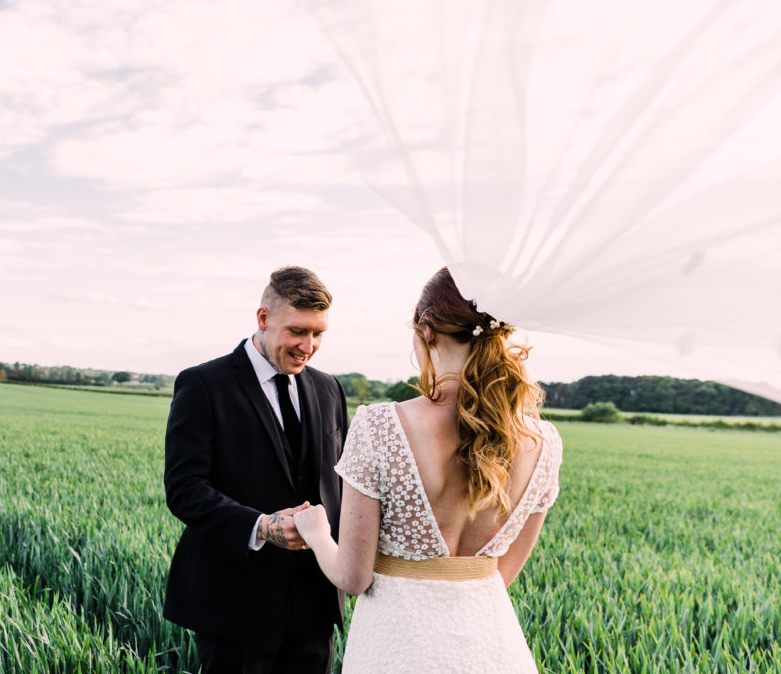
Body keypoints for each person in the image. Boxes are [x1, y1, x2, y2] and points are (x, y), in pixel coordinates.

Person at [293, 267, 563, 673]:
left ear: (427, 329)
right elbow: (498, 576)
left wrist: (316, 533)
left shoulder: (380, 425)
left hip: (398, 647)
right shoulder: (544, 442)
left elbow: (353, 577)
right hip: (494, 648)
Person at [163, 266, 349, 673]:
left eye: (318, 333)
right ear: (263, 319)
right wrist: (262, 526)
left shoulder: (328, 388)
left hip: (316, 604)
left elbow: (342, 484)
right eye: (297, 331)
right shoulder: (203, 384)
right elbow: (184, 487)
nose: (309, 346)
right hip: (234, 601)